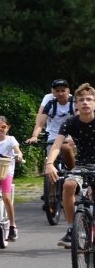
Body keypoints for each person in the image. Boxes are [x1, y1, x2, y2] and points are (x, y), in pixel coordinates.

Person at [45, 83, 95, 248]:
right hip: (82, 165)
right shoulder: (70, 122)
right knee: (68, 184)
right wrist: (50, 163)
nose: (85, 103)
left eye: (89, 99)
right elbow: (57, 145)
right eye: (81, 100)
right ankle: (71, 228)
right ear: (76, 104)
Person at [26, 79, 76, 171]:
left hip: (71, 135)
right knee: (50, 164)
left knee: (67, 149)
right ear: (53, 92)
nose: (60, 93)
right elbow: (40, 123)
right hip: (53, 136)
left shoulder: (74, 103)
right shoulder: (50, 104)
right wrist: (34, 136)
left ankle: (75, 174)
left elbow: (79, 121)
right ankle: (51, 183)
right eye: (57, 91)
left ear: (68, 91)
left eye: (63, 90)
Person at [0, 116, 24, 241]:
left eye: (3, 127)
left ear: (8, 127)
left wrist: (19, 155)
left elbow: (17, 151)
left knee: (6, 197)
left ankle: (12, 225)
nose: (0, 129)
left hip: (6, 170)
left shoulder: (11, 140)